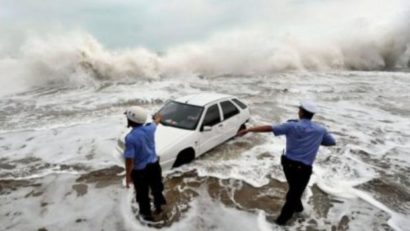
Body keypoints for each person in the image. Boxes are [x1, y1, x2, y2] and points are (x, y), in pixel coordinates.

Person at [237, 100, 336, 225]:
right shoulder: (320, 130)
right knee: (294, 193)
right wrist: (314, 140)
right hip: (304, 168)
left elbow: (269, 128)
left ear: (301, 112)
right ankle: (283, 221)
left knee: (294, 190)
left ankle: (291, 213)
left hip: (287, 165)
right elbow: (331, 142)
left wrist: (249, 129)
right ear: (312, 115)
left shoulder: (291, 126)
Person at [123, 106, 166, 221]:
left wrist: (128, 177)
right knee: (157, 188)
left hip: (140, 172)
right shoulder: (150, 128)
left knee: (142, 195)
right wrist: (158, 117)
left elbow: (129, 160)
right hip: (155, 166)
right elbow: (156, 122)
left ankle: (147, 216)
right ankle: (159, 207)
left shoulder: (130, 138)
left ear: (130, 121)